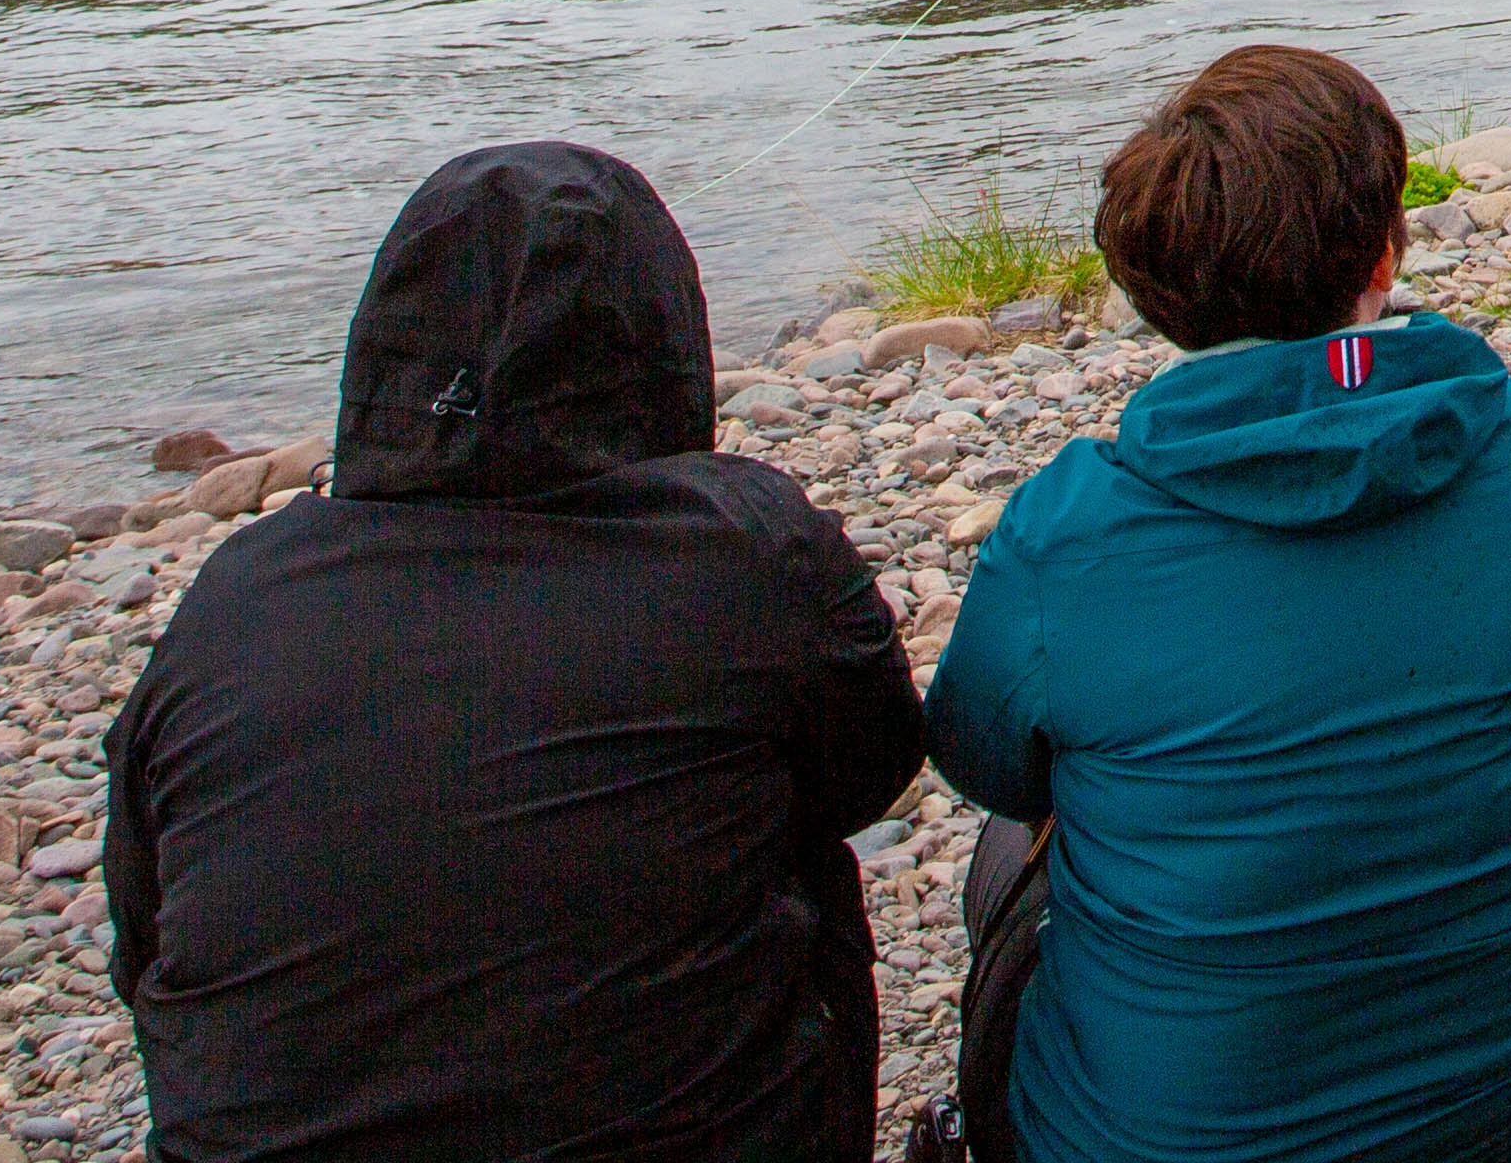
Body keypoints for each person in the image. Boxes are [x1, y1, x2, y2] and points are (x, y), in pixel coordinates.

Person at [107, 143, 924, 1163]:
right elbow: (872, 770)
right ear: (660, 339)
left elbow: (140, 940)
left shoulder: (239, 591)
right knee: (796, 851)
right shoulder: (748, 547)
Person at [925, 48, 1511, 1163]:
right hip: (1510, 1094)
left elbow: (986, 764)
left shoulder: (1072, 529)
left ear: (1158, 295)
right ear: (1384, 252)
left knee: (1019, 838)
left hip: (1159, 1140)